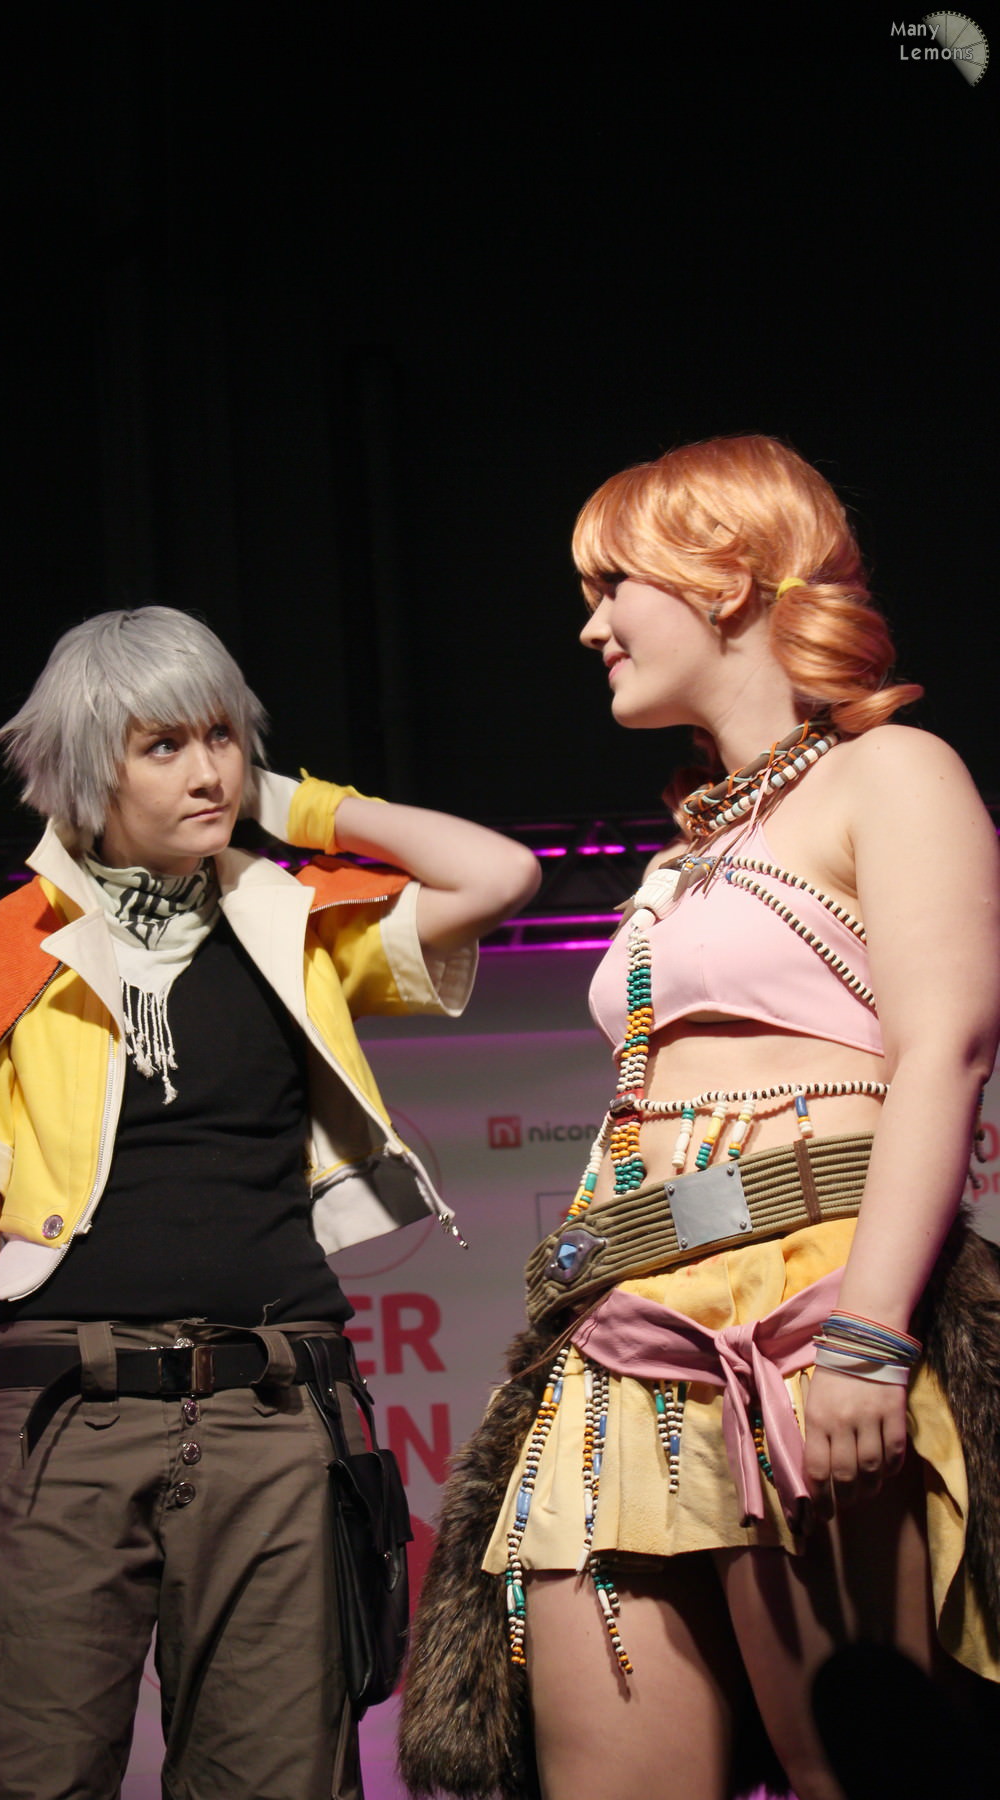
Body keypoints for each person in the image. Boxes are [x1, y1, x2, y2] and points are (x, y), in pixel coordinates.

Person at [400, 437, 1000, 1800]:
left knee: (863, 1766)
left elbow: (947, 1050)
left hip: (805, 1316)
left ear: (725, 576)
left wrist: (866, 1332)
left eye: (612, 585)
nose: (591, 626)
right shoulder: (686, 853)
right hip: (623, 1340)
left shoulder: (892, 772)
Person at [0, 604, 540, 1800]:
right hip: (60, 1421)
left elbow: (500, 873)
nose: (208, 771)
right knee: (28, 1777)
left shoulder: (290, 922)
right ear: (89, 769)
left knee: (275, 1780)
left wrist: (292, 803)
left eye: (224, 735)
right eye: (164, 744)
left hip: (276, 1415)